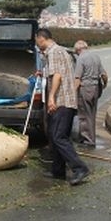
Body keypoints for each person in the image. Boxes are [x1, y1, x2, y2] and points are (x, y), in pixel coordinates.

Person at [37, 28, 90, 186]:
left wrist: (51, 97)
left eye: (36, 41)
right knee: (55, 136)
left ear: (41, 39)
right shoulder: (60, 52)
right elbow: (54, 72)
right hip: (66, 101)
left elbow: (58, 76)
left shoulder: (54, 52)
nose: (37, 44)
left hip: (62, 101)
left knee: (59, 137)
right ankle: (58, 169)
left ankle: (80, 168)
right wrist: (42, 73)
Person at [73, 40, 107, 149]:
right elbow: (104, 74)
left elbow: (77, 78)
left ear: (78, 50)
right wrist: (104, 85)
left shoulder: (81, 58)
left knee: (83, 115)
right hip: (96, 88)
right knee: (92, 114)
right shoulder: (96, 57)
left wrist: (73, 92)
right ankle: (92, 138)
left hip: (85, 88)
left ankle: (88, 140)